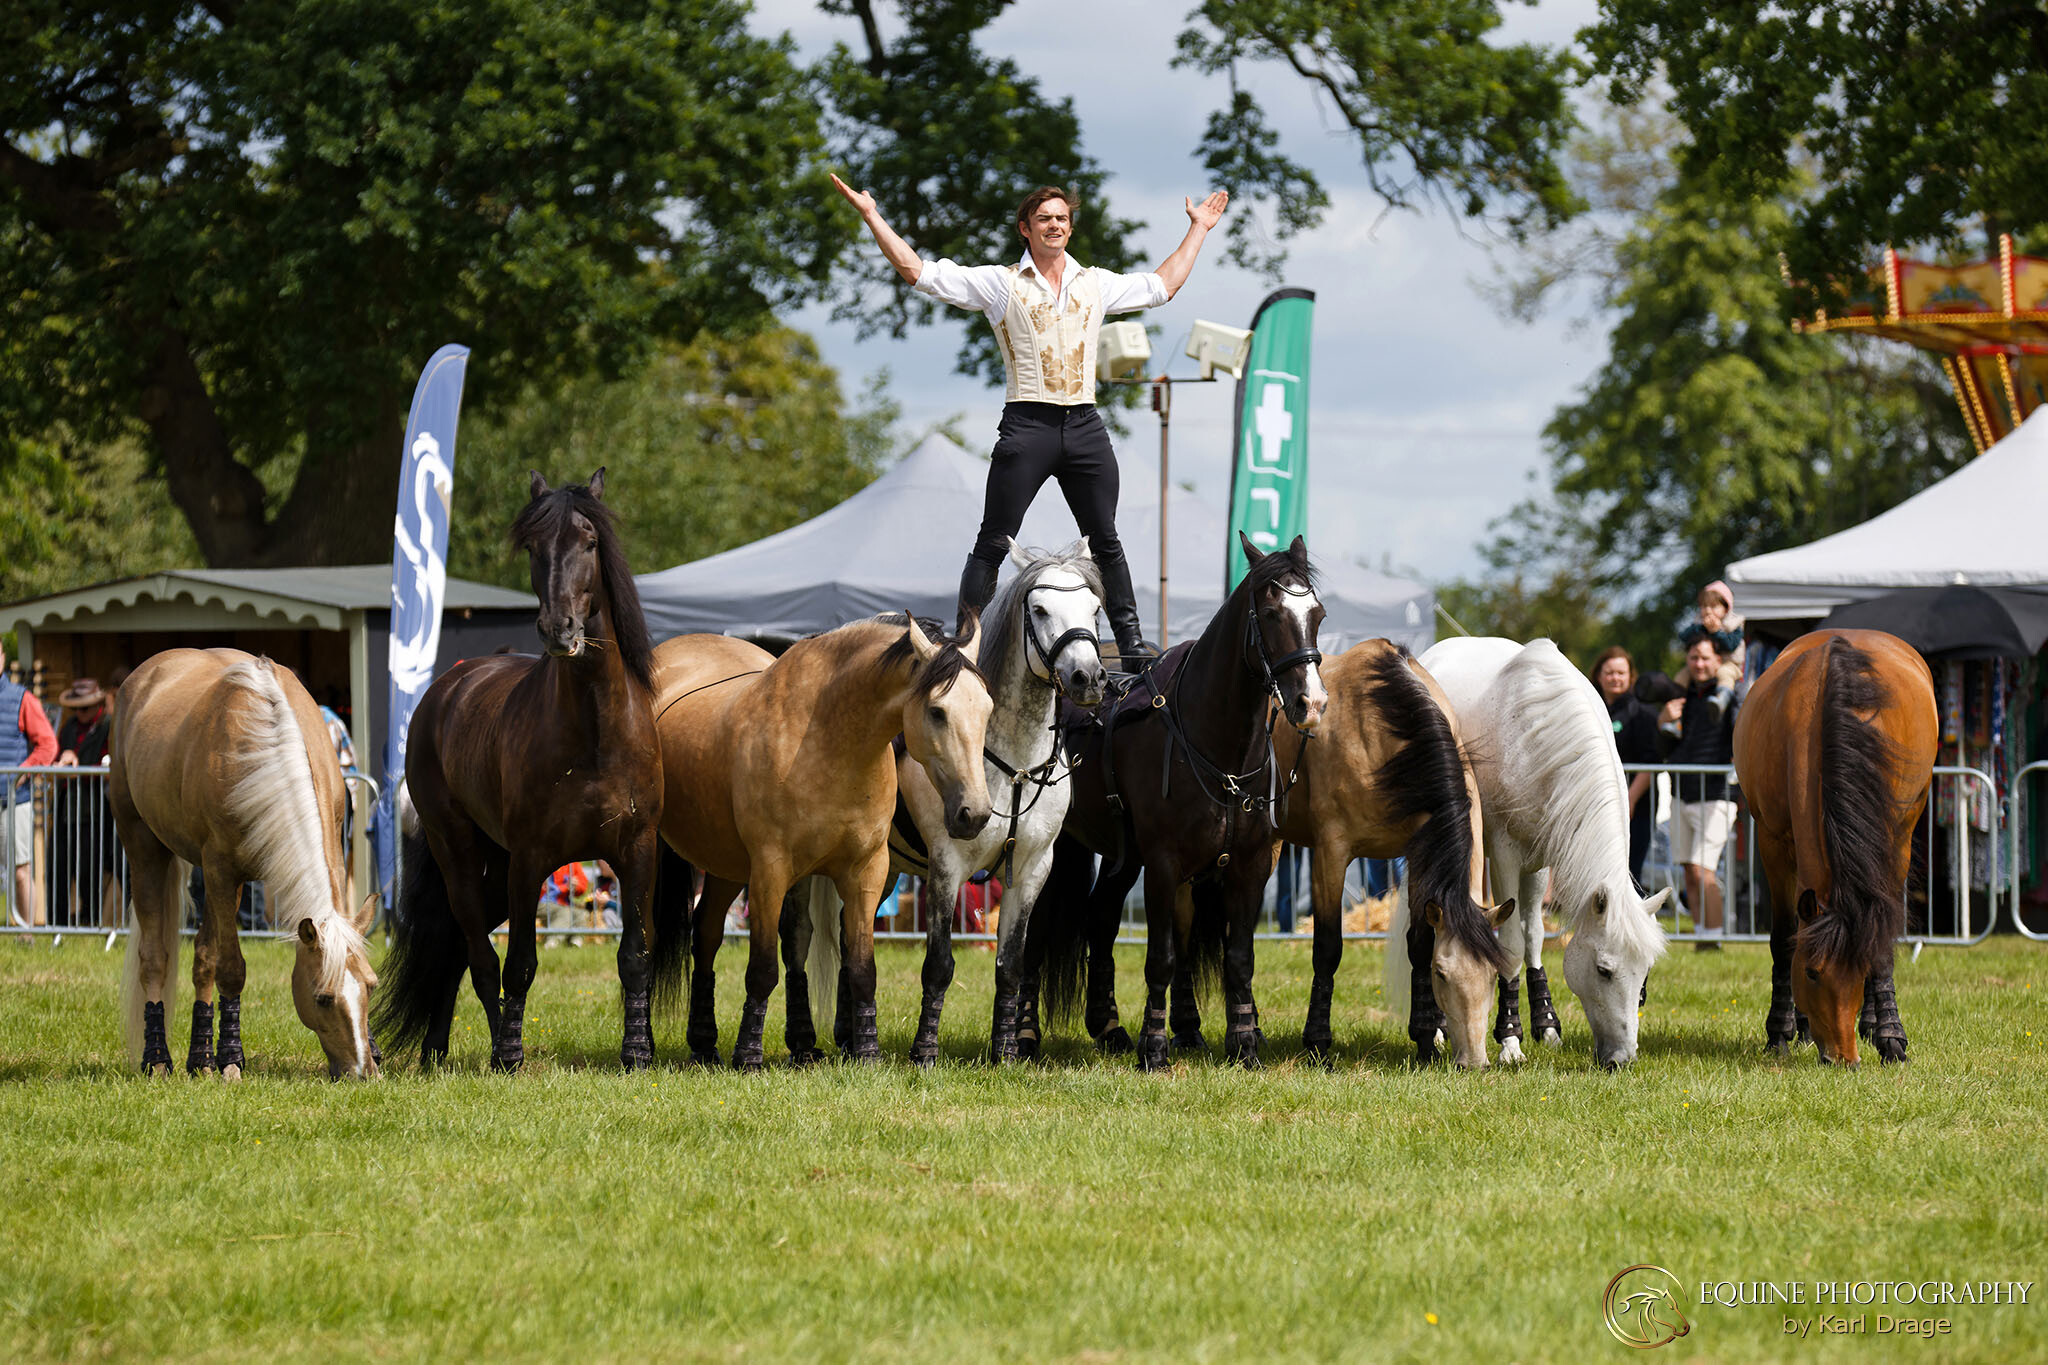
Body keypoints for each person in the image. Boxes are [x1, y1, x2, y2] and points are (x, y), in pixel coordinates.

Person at [832, 174, 1230, 665]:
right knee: (994, 539)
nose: (1055, 225)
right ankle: (967, 645)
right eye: (1044, 219)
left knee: (1105, 539)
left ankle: (1130, 650)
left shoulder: (1095, 284)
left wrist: (1200, 229)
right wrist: (873, 215)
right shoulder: (1001, 284)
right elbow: (919, 272)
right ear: (1026, 228)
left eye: (1062, 218)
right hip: (1028, 425)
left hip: (1084, 424)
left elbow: (1163, 285)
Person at [1661, 636, 1738, 947]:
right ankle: (1701, 935)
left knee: (1704, 870)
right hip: (1682, 792)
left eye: (1705, 658)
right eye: (1693, 658)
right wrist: (1664, 721)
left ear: (1718, 661)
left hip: (1717, 794)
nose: (1699, 664)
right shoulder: (1680, 697)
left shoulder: (1730, 697)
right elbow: (1663, 747)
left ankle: (1714, 940)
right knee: (1689, 871)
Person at [48, 678, 117, 927]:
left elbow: (110, 765)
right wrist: (62, 762)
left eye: (85, 707)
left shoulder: (107, 725)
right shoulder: (69, 727)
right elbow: (57, 754)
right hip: (66, 804)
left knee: (90, 866)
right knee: (59, 863)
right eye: (77, 707)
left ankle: (92, 918)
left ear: (95, 705)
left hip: (94, 806)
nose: (80, 712)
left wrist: (80, 767)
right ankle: (58, 920)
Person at [1590, 646, 1661, 887]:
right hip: (1596, 804)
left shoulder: (1642, 710)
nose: (1615, 678)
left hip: (1636, 806)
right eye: (1609, 672)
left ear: (1631, 676)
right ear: (1598, 675)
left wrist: (1628, 800)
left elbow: (1651, 762)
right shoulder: (1589, 708)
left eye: (1621, 673)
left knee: (1629, 874)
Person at [0, 641, 59, 926]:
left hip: (13, 800)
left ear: (2, 658)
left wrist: (21, 772)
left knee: (21, 870)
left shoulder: (22, 698)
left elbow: (47, 745)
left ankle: (27, 932)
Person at [1678, 580, 1745, 722]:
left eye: (1713, 606)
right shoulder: (1698, 623)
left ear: (1726, 609)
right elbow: (1683, 637)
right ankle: (1676, 714)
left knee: (1724, 673)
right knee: (1682, 676)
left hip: (1730, 665)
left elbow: (1731, 645)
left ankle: (1721, 700)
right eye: (1704, 606)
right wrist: (1700, 628)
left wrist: (1716, 632)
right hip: (1708, 668)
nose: (1708, 611)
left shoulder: (1734, 624)